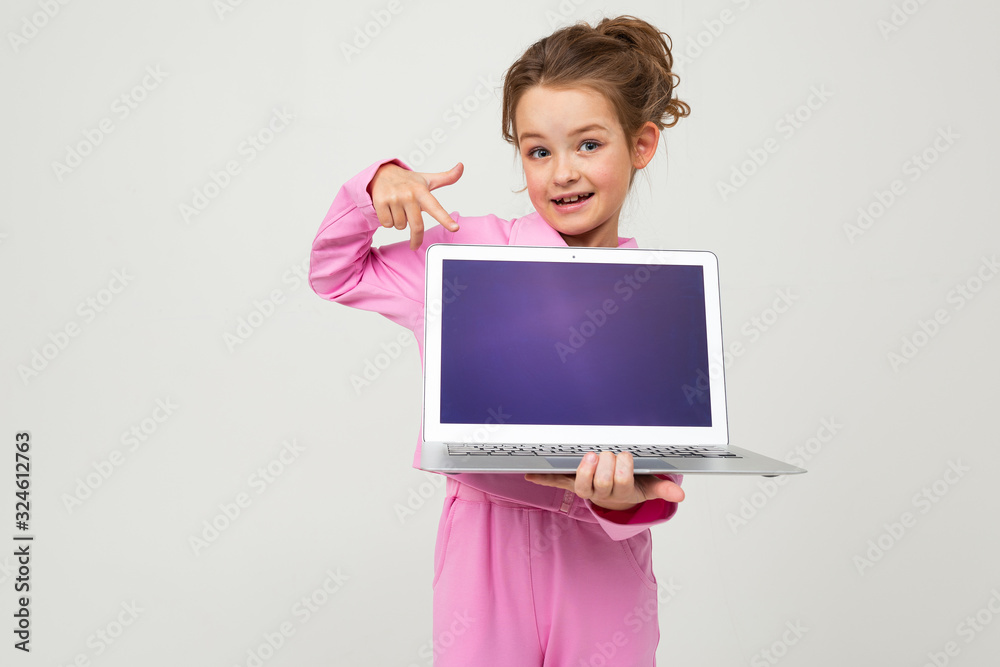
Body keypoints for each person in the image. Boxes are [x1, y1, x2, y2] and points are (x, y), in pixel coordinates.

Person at [309, 14, 691, 665]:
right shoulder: (466, 254)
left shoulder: (656, 296)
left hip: (601, 561)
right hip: (483, 550)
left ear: (642, 144)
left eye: (588, 144)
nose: (562, 172)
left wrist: (624, 498)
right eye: (539, 151)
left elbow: (664, 473)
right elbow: (336, 273)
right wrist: (375, 189)